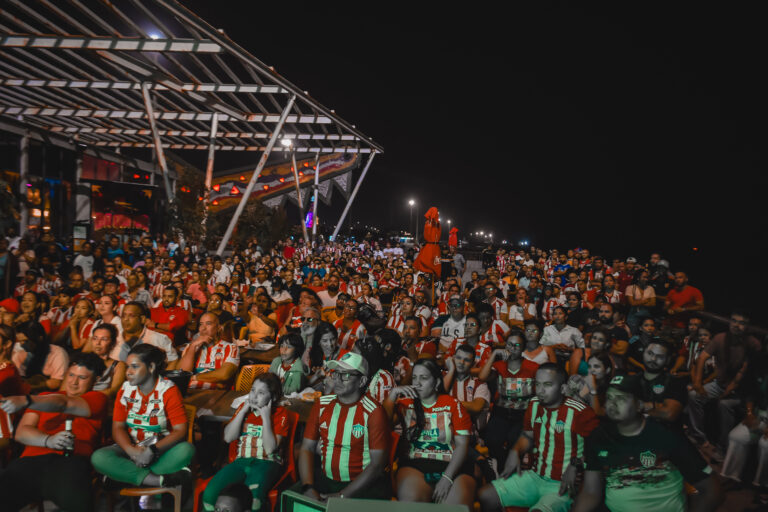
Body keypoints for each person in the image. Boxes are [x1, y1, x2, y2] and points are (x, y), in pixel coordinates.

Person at [573, 373, 720, 512]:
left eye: (621, 398)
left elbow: (712, 491)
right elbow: (591, 492)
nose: (612, 403)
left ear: (639, 405)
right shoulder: (599, 436)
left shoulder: (666, 436)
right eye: (609, 398)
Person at [478, 363, 599, 512]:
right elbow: (528, 436)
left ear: (562, 388)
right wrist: (516, 450)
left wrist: (576, 464)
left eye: (547, 385)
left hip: (562, 485)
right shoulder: (534, 404)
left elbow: (599, 450)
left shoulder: (581, 413)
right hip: (535, 477)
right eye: (537, 384)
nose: (540, 390)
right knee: (486, 495)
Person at [0, 352, 108, 512]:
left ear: (96, 380)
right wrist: (48, 440)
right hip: (30, 461)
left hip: (69, 463)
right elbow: (21, 432)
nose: (74, 382)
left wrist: (27, 400)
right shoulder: (43, 398)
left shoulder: (97, 398)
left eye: (82, 378)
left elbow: (64, 404)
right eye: (71, 375)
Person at [91, 344, 195, 489]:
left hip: (160, 452)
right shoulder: (125, 389)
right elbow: (117, 427)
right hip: (131, 450)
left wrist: (151, 451)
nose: (128, 372)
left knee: (186, 449)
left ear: (151, 367)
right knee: (99, 457)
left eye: (134, 367)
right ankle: (157, 480)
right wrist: (130, 450)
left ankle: (124, 476)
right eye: (127, 367)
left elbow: (180, 431)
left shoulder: (168, 390)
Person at [297, 352, 391, 500]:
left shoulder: (374, 412)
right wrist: (308, 487)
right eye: (336, 373)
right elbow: (307, 447)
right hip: (326, 480)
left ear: (361, 381)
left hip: (362, 486)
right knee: (288, 500)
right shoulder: (321, 404)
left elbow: (377, 465)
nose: (338, 380)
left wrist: (341, 496)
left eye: (346, 375)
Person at [385, 358, 475, 506]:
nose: (417, 383)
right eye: (414, 377)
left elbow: (462, 446)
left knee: (455, 507)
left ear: (437, 382)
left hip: (453, 465)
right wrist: (392, 395)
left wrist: (447, 478)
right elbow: (384, 425)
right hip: (415, 464)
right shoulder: (405, 404)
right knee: (412, 502)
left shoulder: (452, 404)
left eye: (424, 378)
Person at [202, 373, 290, 512]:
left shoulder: (281, 414)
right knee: (209, 495)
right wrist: (242, 412)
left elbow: (269, 449)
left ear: (272, 397)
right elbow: (228, 438)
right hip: (241, 462)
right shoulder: (244, 410)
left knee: (254, 501)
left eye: (261, 393)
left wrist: (266, 418)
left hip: (266, 463)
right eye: (252, 390)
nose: (254, 396)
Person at [688, 311, 761, 454]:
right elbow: (702, 358)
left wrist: (729, 391)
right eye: (734, 321)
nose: (737, 325)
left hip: (741, 390)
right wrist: (697, 383)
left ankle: (723, 448)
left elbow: (747, 372)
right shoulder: (720, 338)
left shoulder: (753, 344)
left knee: (724, 405)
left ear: (747, 327)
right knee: (693, 395)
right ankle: (699, 437)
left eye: (742, 323)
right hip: (719, 384)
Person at [478, 330, 539, 467]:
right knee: (492, 440)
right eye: (510, 345)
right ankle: (501, 466)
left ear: (523, 348)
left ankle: (510, 468)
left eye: (517, 345)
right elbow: (482, 377)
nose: (513, 348)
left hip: (522, 414)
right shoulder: (499, 366)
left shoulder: (533, 368)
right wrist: (494, 355)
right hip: (501, 412)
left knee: (515, 441)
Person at [179, 313, 240, 390]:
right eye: (201, 324)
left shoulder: (231, 348)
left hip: (217, 395)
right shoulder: (191, 347)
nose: (203, 328)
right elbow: (183, 373)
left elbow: (224, 374)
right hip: (192, 392)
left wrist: (193, 377)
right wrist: (193, 346)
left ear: (219, 328)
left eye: (208, 324)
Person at [118, 301, 179, 370]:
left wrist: (161, 379)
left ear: (142, 319)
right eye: (123, 315)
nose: (126, 319)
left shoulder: (158, 339)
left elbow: (173, 361)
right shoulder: (113, 338)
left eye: (131, 315)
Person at [90, 323, 127, 399]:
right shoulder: (81, 360)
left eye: (104, 339)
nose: (98, 343)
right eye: (95, 338)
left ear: (113, 343)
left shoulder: (119, 365)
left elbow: (113, 392)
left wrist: (87, 394)